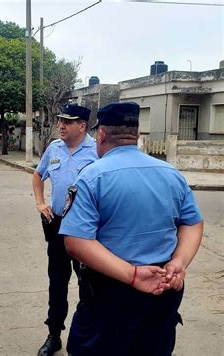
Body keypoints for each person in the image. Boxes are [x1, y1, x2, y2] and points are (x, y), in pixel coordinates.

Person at [60, 102, 203, 356]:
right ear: (135, 135)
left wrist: (133, 275)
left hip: (111, 293)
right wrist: (179, 261)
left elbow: (76, 241)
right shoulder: (171, 174)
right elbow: (192, 223)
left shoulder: (92, 177)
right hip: (164, 286)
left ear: (101, 135)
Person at [32, 104, 98, 356]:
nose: (60, 125)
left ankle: (87, 336)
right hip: (59, 226)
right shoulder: (54, 148)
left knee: (88, 285)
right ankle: (54, 334)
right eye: (60, 120)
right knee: (57, 283)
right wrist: (40, 203)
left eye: (67, 122)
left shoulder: (97, 151)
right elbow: (38, 176)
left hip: (87, 231)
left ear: (82, 126)